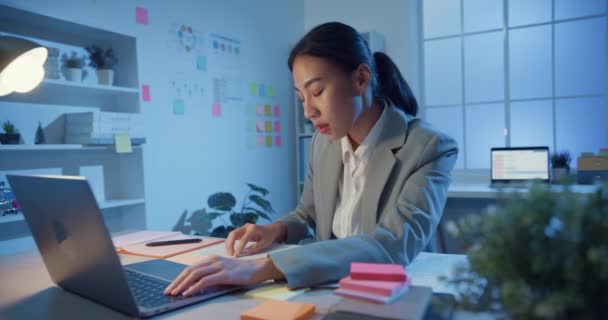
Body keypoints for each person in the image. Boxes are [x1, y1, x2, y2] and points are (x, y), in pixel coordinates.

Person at [165, 22, 458, 297]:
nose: (309, 112)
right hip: (327, 285)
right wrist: (274, 230)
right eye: (302, 98)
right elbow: (308, 214)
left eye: (317, 92)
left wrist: (268, 266)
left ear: (360, 78)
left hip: (389, 293)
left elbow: (392, 246)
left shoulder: (428, 147)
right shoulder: (323, 142)